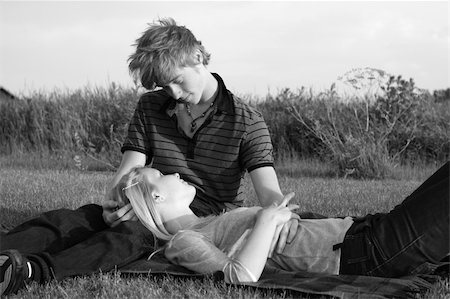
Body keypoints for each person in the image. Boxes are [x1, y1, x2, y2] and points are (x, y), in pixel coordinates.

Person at [2, 163, 447, 295]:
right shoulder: (185, 241)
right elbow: (240, 276)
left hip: (370, 232)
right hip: (369, 251)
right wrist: (267, 222)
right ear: (157, 198)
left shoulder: (211, 219)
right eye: (165, 176)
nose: (177, 175)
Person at [101, 17, 298, 255]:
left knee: (128, 238)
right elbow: (129, 168)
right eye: (165, 87)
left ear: (197, 58)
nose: (173, 93)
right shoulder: (150, 106)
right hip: (160, 207)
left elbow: (268, 190)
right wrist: (112, 203)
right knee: (80, 219)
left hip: (210, 223)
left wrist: (282, 213)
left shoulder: (247, 121)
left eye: (176, 80)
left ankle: (46, 269)